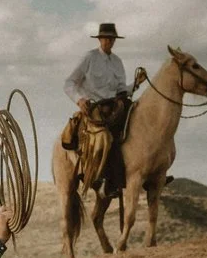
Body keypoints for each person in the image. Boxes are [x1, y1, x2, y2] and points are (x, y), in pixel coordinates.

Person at [60, 23, 144, 186]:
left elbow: (121, 90)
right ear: (99, 39)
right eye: (105, 38)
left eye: (111, 39)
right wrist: (80, 100)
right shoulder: (90, 57)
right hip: (94, 107)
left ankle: (148, 172)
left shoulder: (117, 61)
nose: (108, 41)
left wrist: (136, 84)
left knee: (139, 126)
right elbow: (69, 83)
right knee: (104, 137)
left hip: (115, 106)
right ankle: (99, 177)